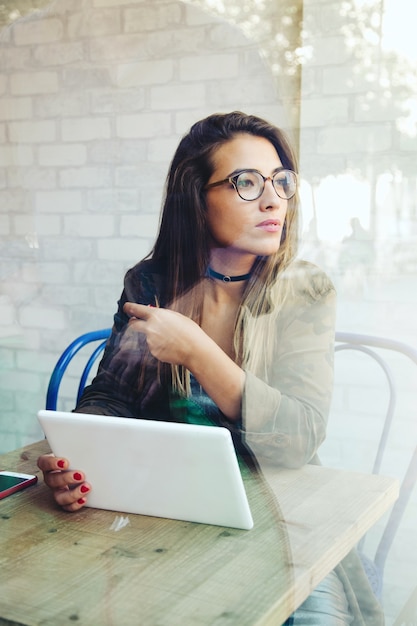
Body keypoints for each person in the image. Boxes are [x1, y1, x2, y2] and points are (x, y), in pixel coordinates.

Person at [37, 111, 383, 625]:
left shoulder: (305, 290)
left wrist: (199, 351)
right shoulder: (151, 283)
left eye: (280, 182)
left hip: (283, 515)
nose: (273, 200)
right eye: (246, 182)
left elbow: (299, 438)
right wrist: (72, 460)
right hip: (170, 504)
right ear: (196, 200)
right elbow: (112, 394)